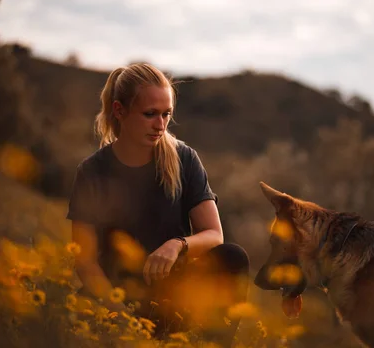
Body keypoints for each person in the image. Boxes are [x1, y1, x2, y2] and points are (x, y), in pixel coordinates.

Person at [65, 63, 250, 347]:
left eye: (166, 115)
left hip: (174, 296)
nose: (160, 125)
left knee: (233, 256)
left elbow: (214, 235)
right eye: (150, 114)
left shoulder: (184, 159)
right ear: (119, 110)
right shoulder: (92, 171)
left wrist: (177, 245)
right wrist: (117, 316)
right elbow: (85, 260)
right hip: (116, 298)